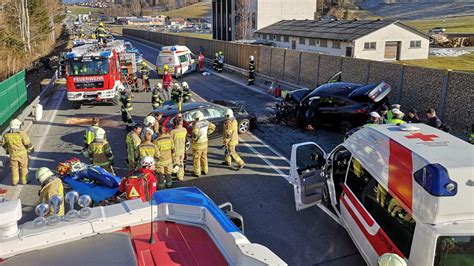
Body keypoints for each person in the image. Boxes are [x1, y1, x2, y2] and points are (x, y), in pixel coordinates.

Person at [1, 119, 34, 185]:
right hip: (22, 155)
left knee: (14, 168)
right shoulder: (22, 134)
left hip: (13, 155)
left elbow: (3, 143)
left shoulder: (6, 135)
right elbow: (27, 144)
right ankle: (24, 181)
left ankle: (14, 182)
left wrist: (7, 150)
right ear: (18, 126)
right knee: (24, 168)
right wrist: (32, 149)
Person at [191, 111, 216, 177]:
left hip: (198, 145)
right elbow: (213, 127)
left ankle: (197, 172)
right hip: (205, 143)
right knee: (204, 157)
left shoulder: (196, 124)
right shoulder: (206, 122)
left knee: (196, 159)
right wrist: (208, 133)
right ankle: (205, 170)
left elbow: (195, 134)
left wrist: (194, 138)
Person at [170, 116, 187, 181]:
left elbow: (171, 142)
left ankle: (179, 176)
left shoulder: (173, 132)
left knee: (177, 164)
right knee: (181, 162)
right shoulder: (184, 130)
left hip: (175, 150)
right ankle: (181, 175)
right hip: (182, 149)